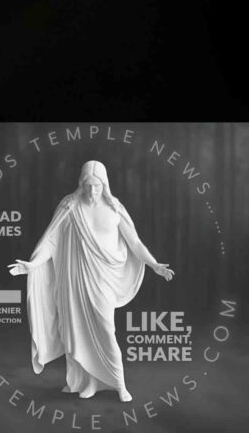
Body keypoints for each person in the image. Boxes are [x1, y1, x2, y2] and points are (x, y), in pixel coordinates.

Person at [9, 159, 175, 404]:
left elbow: (135, 243)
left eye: (97, 186)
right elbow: (51, 242)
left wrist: (155, 265)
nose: (92, 191)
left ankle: (119, 383)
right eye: (88, 185)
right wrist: (32, 265)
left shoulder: (115, 208)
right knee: (79, 331)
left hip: (103, 280)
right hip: (76, 281)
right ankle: (90, 382)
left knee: (106, 331)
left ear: (105, 185)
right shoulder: (70, 207)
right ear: (81, 183)